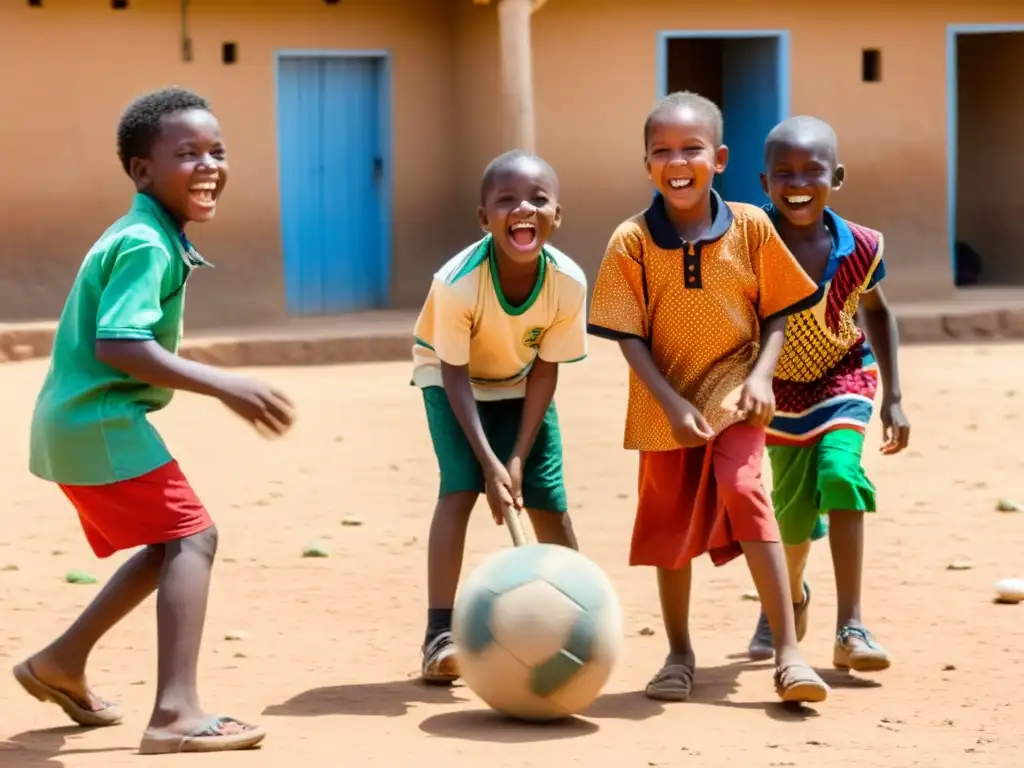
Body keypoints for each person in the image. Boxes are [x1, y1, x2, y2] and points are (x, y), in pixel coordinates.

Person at [15, 87, 295, 755]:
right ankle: (175, 711)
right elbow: (119, 344)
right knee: (194, 539)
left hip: (75, 424)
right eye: (187, 154)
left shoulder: (150, 232)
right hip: (99, 421)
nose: (208, 165)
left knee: (169, 544)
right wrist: (223, 382)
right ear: (142, 172)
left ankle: (60, 663)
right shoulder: (146, 242)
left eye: (217, 151)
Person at [588, 91, 830, 705]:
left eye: (691, 149)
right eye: (662, 151)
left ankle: (789, 653)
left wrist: (760, 379)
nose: (677, 161)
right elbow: (628, 334)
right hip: (662, 397)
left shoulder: (751, 226)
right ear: (647, 164)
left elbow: (776, 312)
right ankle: (678, 653)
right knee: (670, 522)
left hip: (736, 387)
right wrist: (669, 403)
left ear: (718, 158)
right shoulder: (630, 241)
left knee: (747, 490)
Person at [411, 150, 588, 684]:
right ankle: (439, 635)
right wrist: (490, 464)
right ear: (484, 218)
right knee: (460, 487)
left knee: (547, 499)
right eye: (505, 201)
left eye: (538, 199)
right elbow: (455, 373)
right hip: (450, 380)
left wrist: (515, 456)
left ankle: (580, 620)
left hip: (523, 380)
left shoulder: (567, 282)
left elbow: (546, 372)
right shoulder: (457, 282)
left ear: (558, 214)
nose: (523, 209)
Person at [745, 116, 909, 671]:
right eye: (783, 173)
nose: (797, 183)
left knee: (841, 475)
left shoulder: (861, 245)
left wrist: (894, 397)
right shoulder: (746, 244)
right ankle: (789, 599)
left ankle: (851, 626)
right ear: (762, 181)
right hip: (777, 391)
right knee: (790, 521)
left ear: (836, 177)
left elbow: (879, 314)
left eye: (812, 171)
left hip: (844, 375)